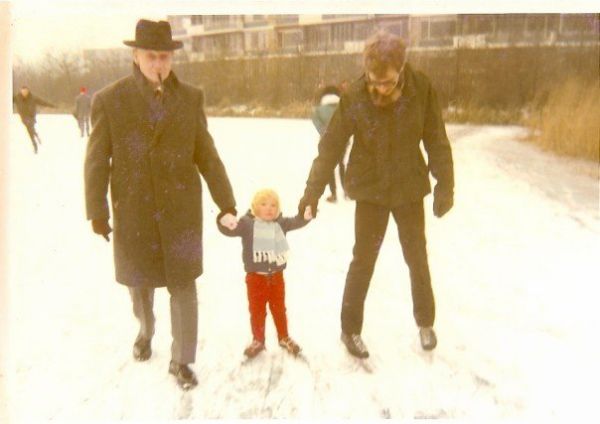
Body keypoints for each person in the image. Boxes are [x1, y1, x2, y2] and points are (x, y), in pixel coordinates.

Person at [84, 19, 237, 390]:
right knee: (140, 285)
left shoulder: (190, 98)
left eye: (165, 56)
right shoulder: (109, 100)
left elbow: (207, 155)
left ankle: (182, 360)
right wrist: (98, 212)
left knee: (184, 285)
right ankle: (145, 330)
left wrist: (226, 203)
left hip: (181, 212)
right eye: (151, 56)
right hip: (135, 211)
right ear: (136, 56)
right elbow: (96, 160)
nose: (159, 64)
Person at [298, 31, 454, 359]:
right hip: (370, 188)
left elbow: (436, 138)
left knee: (417, 257)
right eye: (373, 80)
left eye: (387, 82)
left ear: (401, 69)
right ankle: (349, 330)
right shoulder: (355, 96)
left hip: (409, 186)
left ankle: (425, 322)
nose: (379, 88)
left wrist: (445, 185)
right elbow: (330, 147)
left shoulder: (421, 88)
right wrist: (312, 193)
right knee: (363, 260)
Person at [217, 189, 312, 359]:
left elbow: (297, 221)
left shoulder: (280, 223)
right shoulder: (247, 224)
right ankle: (258, 340)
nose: (269, 208)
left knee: (279, 309)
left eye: (273, 205)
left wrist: (305, 216)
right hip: (255, 278)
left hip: (276, 277)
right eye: (264, 204)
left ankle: (284, 337)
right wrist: (223, 220)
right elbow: (230, 229)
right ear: (254, 207)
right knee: (257, 310)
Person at [311, 85, 346, 202]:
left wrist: (325, 133)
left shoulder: (319, 110)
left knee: (329, 167)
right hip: (342, 140)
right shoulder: (343, 108)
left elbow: (316, 123)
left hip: (327, 141)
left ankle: (334, 193)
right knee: (342, 165)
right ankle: (346, 191)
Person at [12, 86, 55, 154]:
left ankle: (34, 144)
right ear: (21, 91)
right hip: (23, 117)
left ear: (28, 91)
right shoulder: (17, 98)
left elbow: (42, 102)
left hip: (31, 117)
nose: (24, 93)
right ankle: (35, 134)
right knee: (30, 128)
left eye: (26, 91)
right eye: (23, 91)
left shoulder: (33, 98)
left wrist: (52, 105)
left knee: (29, 128)